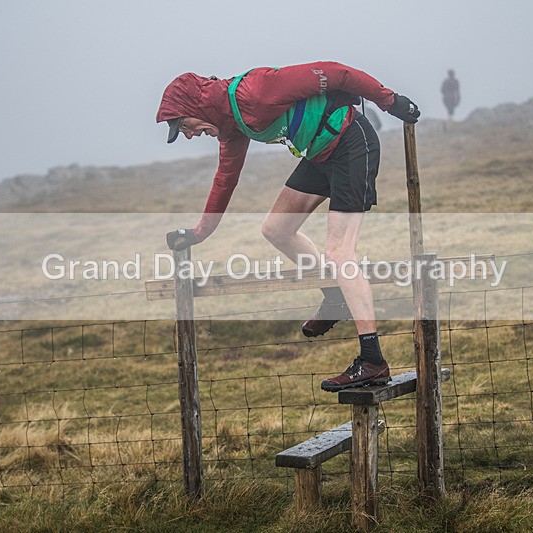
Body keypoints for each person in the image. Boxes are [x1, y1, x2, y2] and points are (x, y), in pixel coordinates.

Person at [156, 61, 420, 391]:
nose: (191, 134)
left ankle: (373, 361)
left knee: (339, 254)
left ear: (197, 106)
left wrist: (389, 100)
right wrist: (198, 234)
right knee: (276, 229)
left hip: (353, 145)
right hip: (320, 156)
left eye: (185, 126)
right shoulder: (232, 126)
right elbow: (225, 181)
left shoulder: (257, 92)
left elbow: (336, 73)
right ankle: (334, 297)